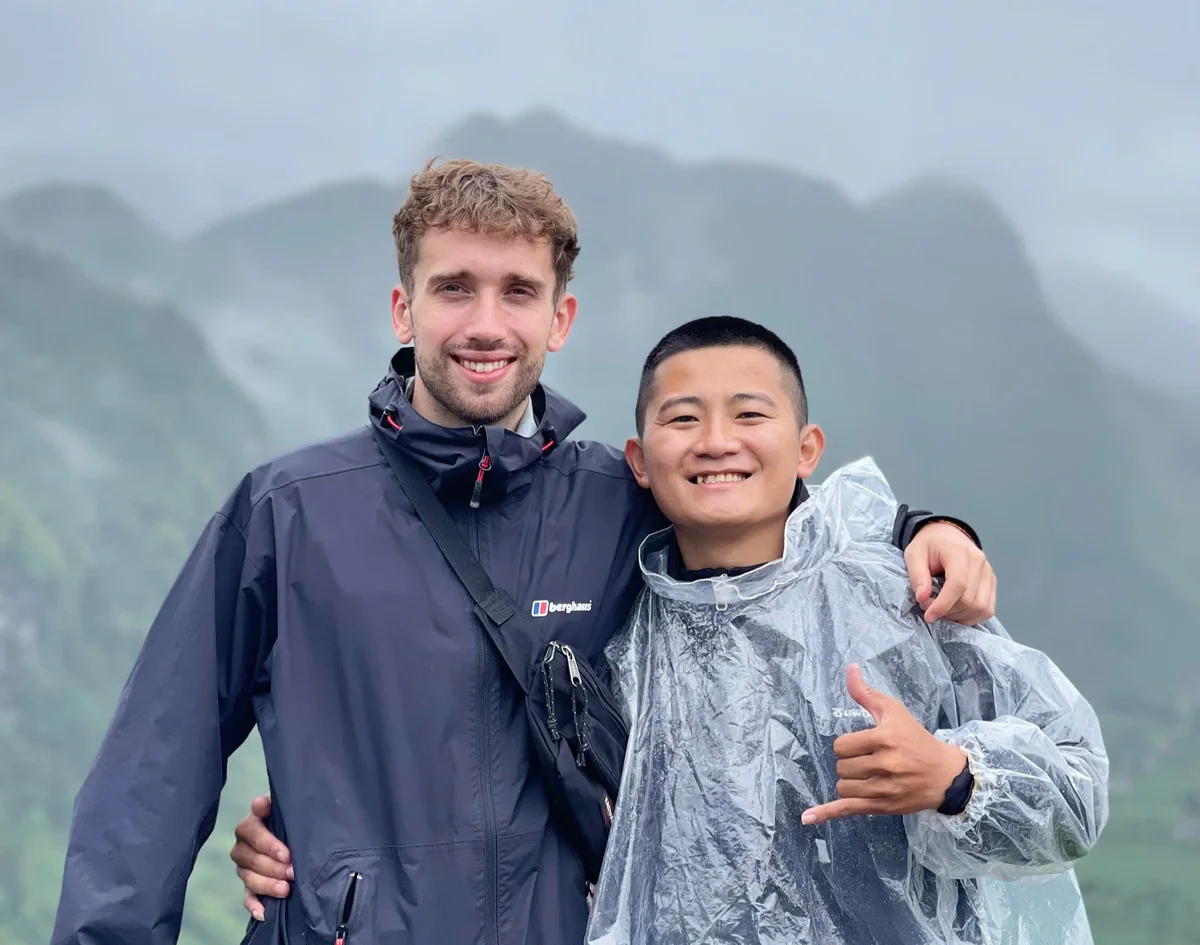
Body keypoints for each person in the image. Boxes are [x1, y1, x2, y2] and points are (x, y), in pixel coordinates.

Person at [50, 159, 998, 945]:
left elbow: (765, 506)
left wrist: (923, 526)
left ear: (560, 320)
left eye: (519, 291)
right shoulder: (287, 514)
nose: (486, 324)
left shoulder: (620, 502)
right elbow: (151, 778)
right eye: (453, 287)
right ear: (403, 308)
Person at [580, 316, 1107, 944]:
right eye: (683, 418)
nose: (717, 441)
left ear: (807, 449)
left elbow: (1078, 797)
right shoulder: (617, 630)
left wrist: (955, 779)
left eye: (749, 415)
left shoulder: (902, 596)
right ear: (639, 460)